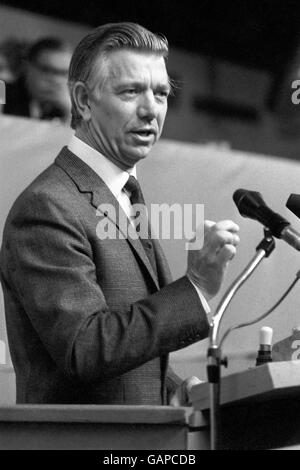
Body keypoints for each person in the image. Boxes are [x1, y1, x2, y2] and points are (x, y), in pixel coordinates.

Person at [0, 23, 240, 405]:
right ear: (83, 101)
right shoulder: (47, 207)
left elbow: (127, 362)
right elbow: (85, 348)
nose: (151, 110)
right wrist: (195, 287)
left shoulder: (125, 195)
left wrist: (177, 391)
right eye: (131, 91)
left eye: (161, 93)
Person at [3, 37, 72, 122]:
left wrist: (70, 113)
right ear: (27, 67)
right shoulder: (3, 91)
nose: (56, 80)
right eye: (47, 70)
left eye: (63, 73)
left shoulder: (64, 107)